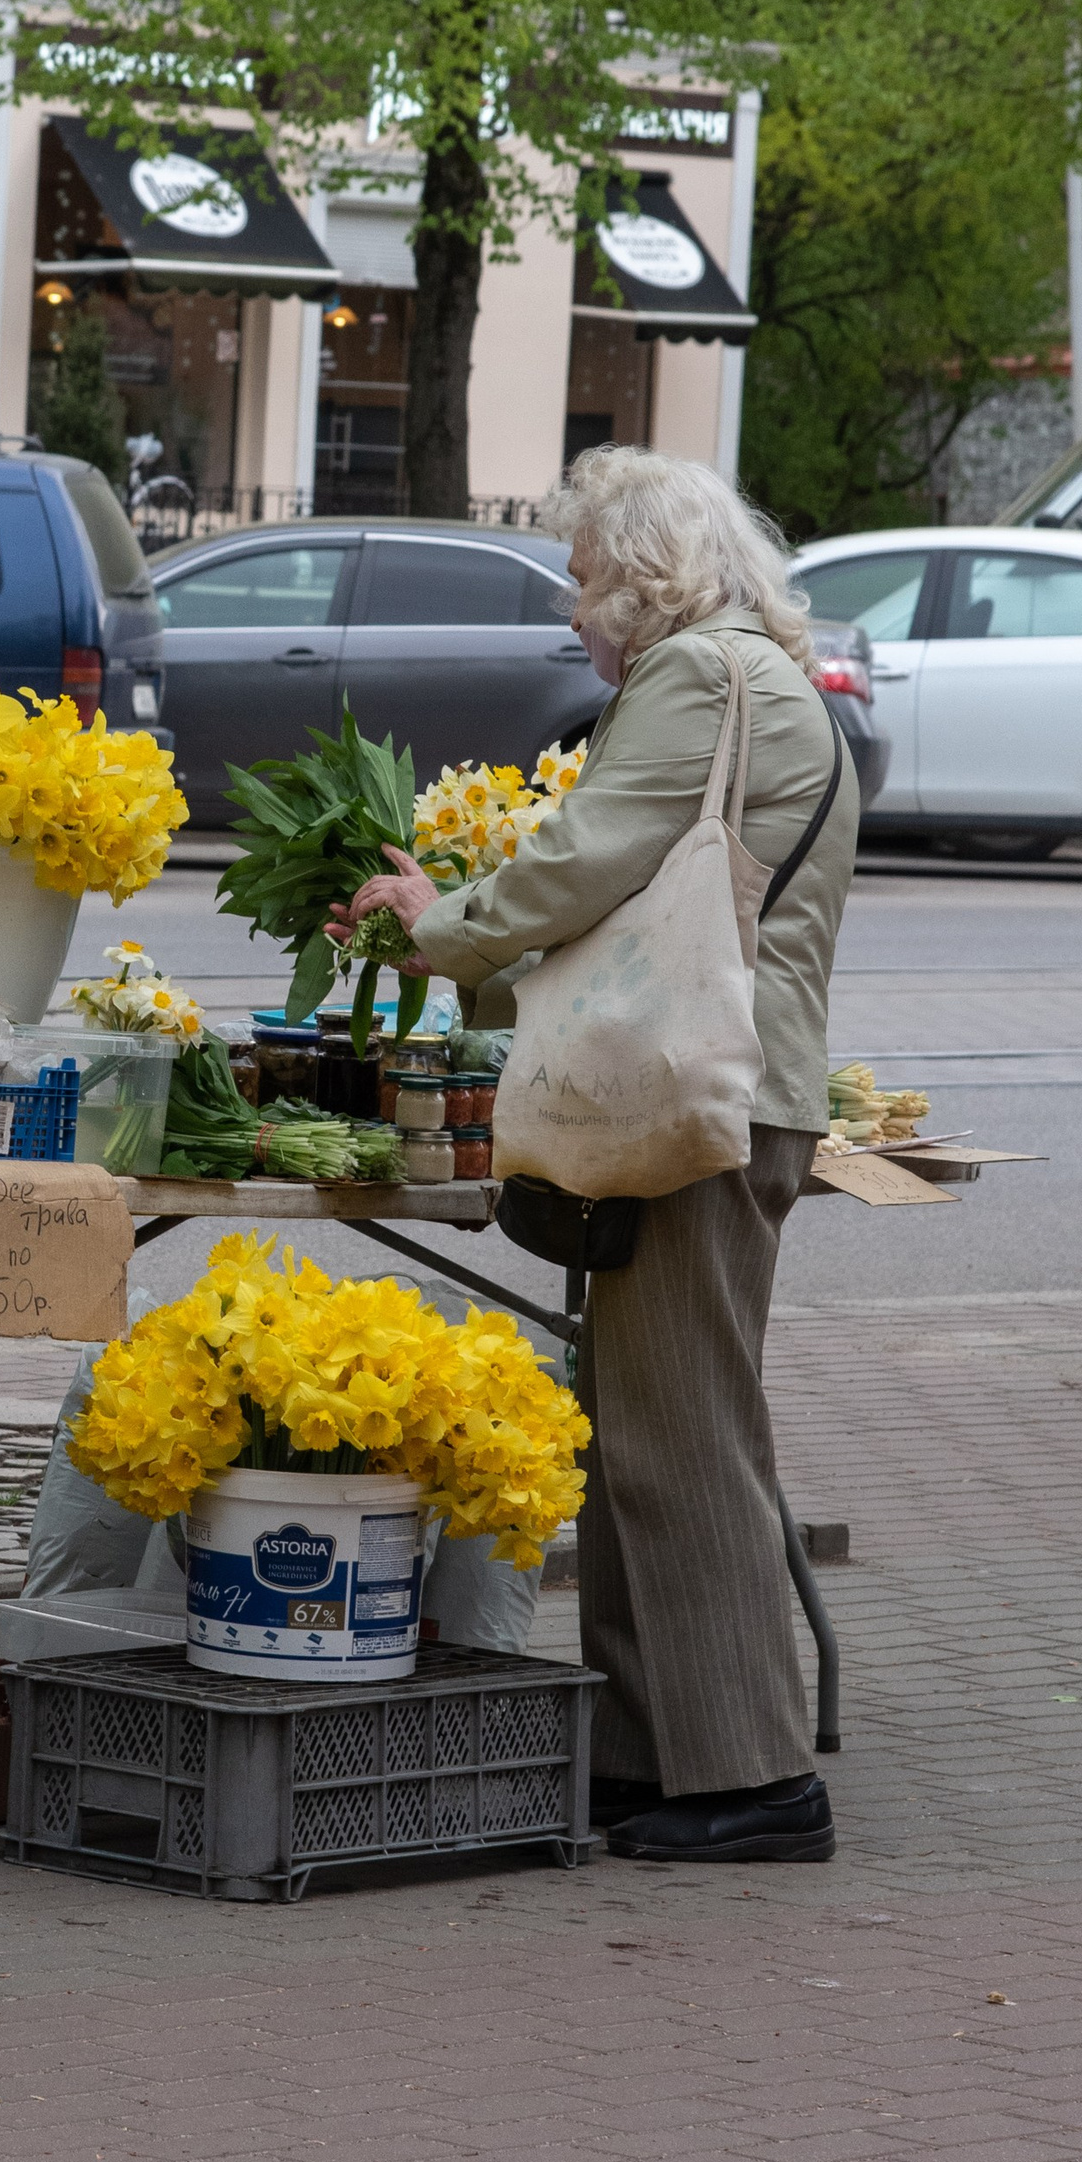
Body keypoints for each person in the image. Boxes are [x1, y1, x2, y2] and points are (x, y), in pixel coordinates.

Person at [331, 447, 857, 1866]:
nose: (574, 610)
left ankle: (754, 1774)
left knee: (682, 1438)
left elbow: (585, 860)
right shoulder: (769, 681)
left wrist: (437, 918)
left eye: (584, 578)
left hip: (703, 1100)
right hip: (732, 1089)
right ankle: (654, 1752)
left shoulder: (701, 679)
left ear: (646, 575)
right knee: (641, 1431)